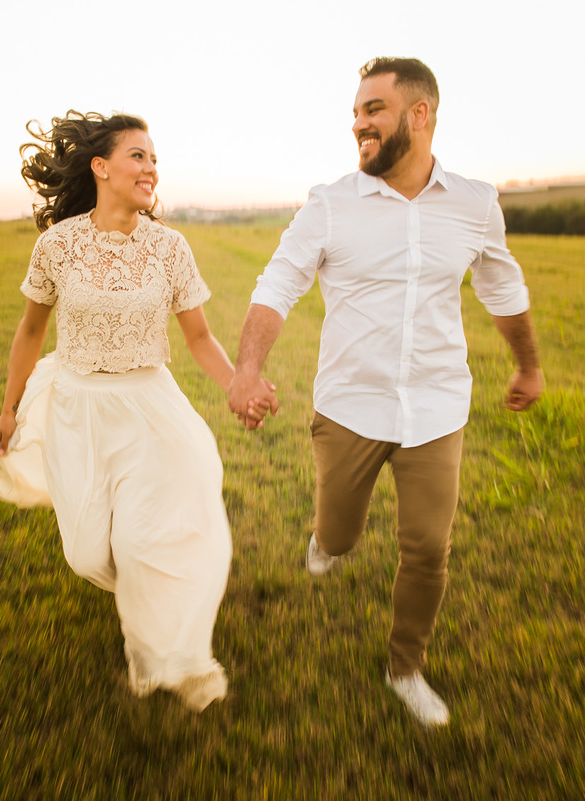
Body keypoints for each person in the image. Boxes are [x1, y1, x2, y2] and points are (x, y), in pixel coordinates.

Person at [227, 57, 543, 726]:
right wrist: (248, 369)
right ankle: (328, 542)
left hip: (437, 407)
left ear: (419, 115)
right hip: (349, 407)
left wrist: (528, 365)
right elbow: (278, 283)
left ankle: (406, 667)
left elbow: (502, 288)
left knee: (428, 547)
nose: (358, 123)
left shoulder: (475, 203)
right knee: (340, 532)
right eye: (356, 112)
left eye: (373, 109)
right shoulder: (330, 204)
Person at [0, 110, 270, 711]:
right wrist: (9, 409)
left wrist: (236, 384)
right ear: (101, 167)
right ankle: (149, 588)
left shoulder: (169, 248)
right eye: (137, 155)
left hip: (149, 407)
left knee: (148, 540)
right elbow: (31, 333)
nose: (150, 167)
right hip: (77, 409)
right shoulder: (57, 245)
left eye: (154, 157)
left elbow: (198, 339)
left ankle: (181, 655)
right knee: (88, 554)